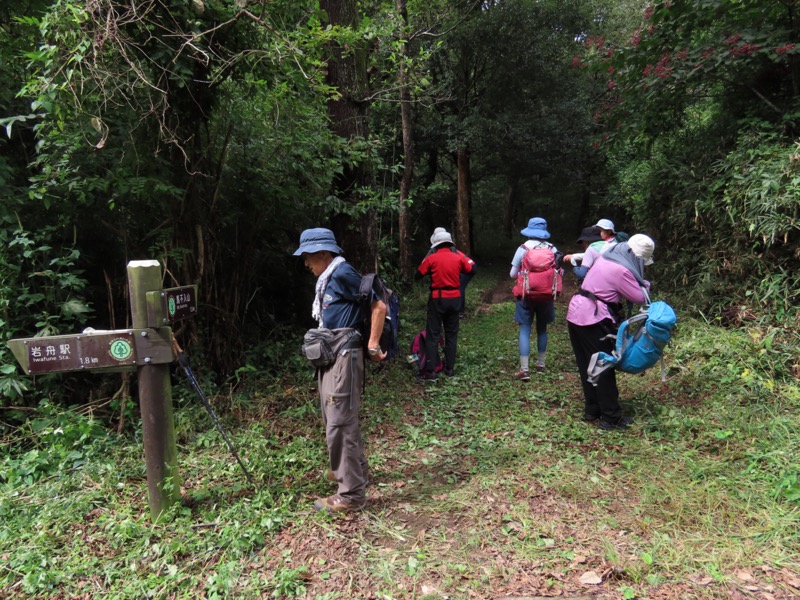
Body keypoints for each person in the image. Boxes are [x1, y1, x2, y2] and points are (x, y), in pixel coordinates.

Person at [293, 228, 387, 513]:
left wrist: (372, 344)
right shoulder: (328, 277)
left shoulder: (342, 273)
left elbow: (378, 305)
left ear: (324, 254)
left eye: (309, 257)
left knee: (339, 420)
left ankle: (351, 494)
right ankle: (352, 470)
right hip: (331, 354)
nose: (306, 264)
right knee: (332, 414)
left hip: (345, 354)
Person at [566, 233, 655, 431]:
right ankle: (611, 417)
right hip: (594, 319)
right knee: (603, 366)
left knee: (587, 364)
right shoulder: (621, 270)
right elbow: (640, 297)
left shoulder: (606, 257)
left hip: (576, 314)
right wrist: (645, 284)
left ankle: (593, 409)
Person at [415, 227, 476, 381]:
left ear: (435, 244)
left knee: (433, 334)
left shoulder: (432, 258)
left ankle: (431, 372)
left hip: (437, 299)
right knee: (451, 334)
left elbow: (418, 275)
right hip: (455, 299)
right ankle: (449, 369)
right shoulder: (458, 257)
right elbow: (471, 269)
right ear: (449, 243)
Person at [510, 217, 562, 380]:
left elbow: (512, 274)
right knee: (542, 329)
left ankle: (524, 370)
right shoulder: (552, 249)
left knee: (525, 329)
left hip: (526, 295)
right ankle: (541, 365)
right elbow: (559, 272)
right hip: (546, 296)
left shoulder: (523, 248)